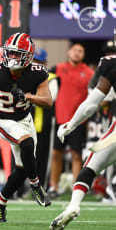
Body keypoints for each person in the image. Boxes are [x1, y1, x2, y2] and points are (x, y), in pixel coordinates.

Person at [0, 32, 53, 222]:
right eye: (11, 53)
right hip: (3, 119)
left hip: (25, 119)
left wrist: (27, 96)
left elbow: (48, 101)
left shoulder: (37, 73)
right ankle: (36, 185)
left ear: (28, 55)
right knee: (27, 143)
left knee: (23, 168)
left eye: (18, 54)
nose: (13, 57)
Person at [49, 38, 116, 230]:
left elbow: (91, 104)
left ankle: (73, 204)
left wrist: (70, 124)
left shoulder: (110, 63)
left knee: (91, 166)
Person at [48, 43, 94, 198]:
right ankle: (53, 188)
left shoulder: (89, 73)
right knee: (56, 154)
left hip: (78, 122)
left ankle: (77, 189)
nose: (77, 53)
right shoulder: (57, 69)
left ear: (84, 54)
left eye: (80, 51)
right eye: (75, 50)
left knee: (76, 155)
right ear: (69, 52)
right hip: (61, 119)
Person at [31, 48, 59, 188]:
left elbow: (49, 99)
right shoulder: (24, 74)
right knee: (22, 155)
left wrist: (30, 97)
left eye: (40, 62)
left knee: (42, 156)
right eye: (34, 61)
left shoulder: (51, 77)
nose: (36, 64)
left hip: (44, 123)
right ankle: (18, 188)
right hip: (25, 121)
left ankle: (41, 186)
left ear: (45, 62)